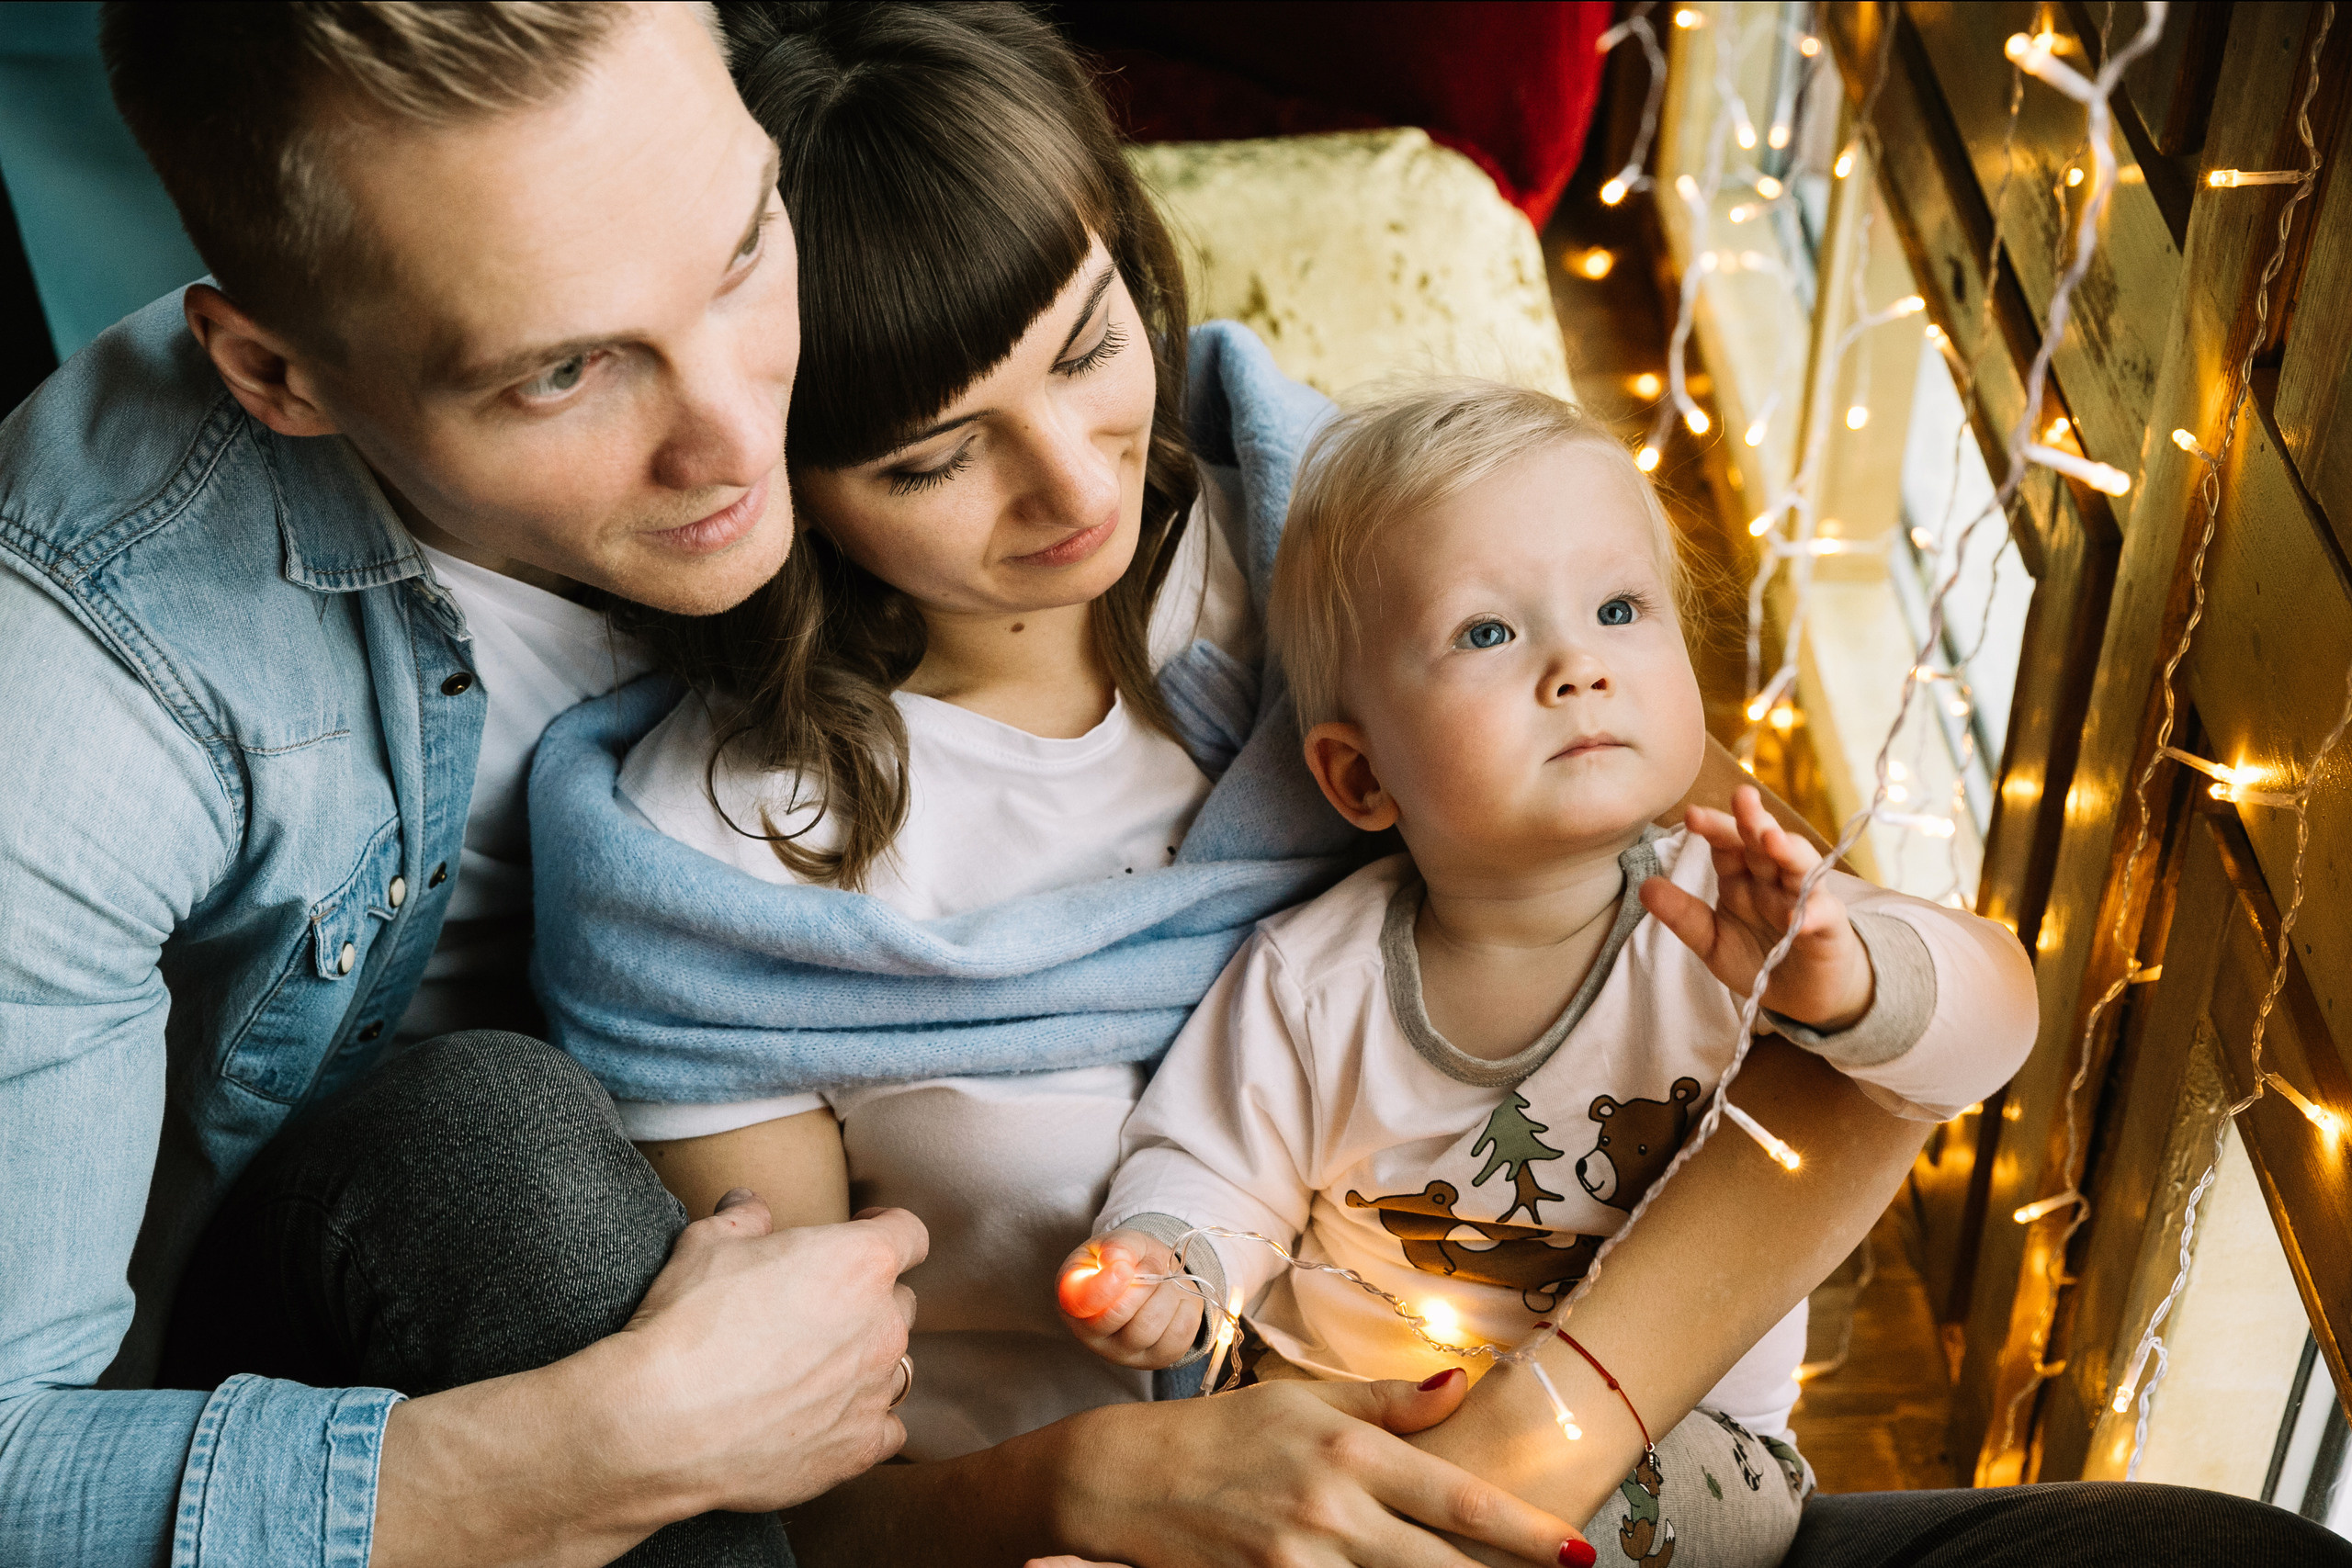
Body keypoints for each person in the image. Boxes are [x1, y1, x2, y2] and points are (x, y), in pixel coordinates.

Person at [0, 6, 926, 1565]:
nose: (731, 436)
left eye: (746, 249)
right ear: (276, 373)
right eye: (566, 371)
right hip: (383, 1297)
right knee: (485, 1150)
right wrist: (597, 1452)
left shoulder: (776, 159)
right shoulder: (73, 707)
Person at [1057, 381, 2041, 1566]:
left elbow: (1996, 1025)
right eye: (1487, 633)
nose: (1578, 664)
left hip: (1677, 1453)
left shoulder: (1741, 917)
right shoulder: (1312, 983)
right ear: (1362, 779)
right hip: (1351, 1436)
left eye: (1621, 607)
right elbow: (1214, 1165)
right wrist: (1173, 1264)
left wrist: (1856, 988)